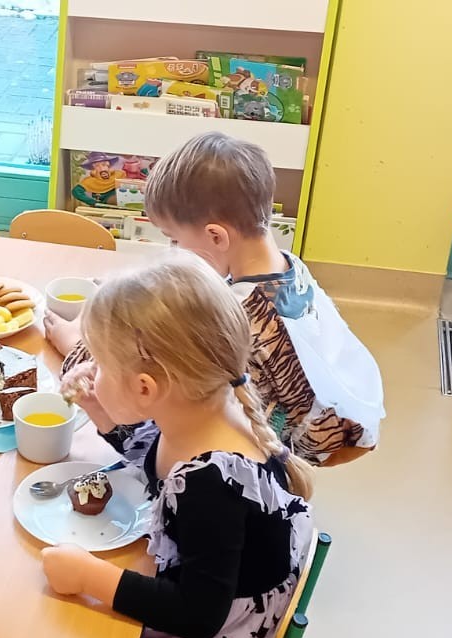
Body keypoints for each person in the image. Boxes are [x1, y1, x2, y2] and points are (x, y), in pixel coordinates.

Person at [41, 253, 315, 638]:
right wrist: (104, 414)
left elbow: (197, 615)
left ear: (146, 389)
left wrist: (89, 577)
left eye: (100, 365)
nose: (92, 374)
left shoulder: (210, 488)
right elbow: (159, 461)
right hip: (221, 613)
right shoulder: (211, 412)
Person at [48, 132, 383, 467]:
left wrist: (78, 345)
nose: (173, 250)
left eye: (174, 239)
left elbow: (161, 389)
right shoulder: (286, 265)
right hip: (335, 422)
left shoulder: (238, 317)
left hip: (277, 450)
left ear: (215, 236)